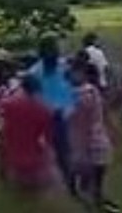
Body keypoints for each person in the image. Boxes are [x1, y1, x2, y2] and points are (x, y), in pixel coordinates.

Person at [28, 36, 76, 194]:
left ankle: (71, 187)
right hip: (46, 121)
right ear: (42, 55)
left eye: (54, 53)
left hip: (67, 118)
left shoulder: (65, 67)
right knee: (50, 157)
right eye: (49, 54)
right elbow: (32, 99)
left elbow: (74, 90)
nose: (53, 57)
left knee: (67, 155)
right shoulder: (34, 73)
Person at [69, 61, 118, 211]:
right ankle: (101, 203)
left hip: (86, 145)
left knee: (83, 185)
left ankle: (93, 205)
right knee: (95, 183)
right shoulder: (93, 91)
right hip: (100, 143)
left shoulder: (78, 95)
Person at [0, 75, 58, 194]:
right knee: (36, 193)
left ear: (22, 87)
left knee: (18, 192)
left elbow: (3, 128)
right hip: (35, 158)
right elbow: (48, 137)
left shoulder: (8, 104)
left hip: (12, 154)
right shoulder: (44, 109)